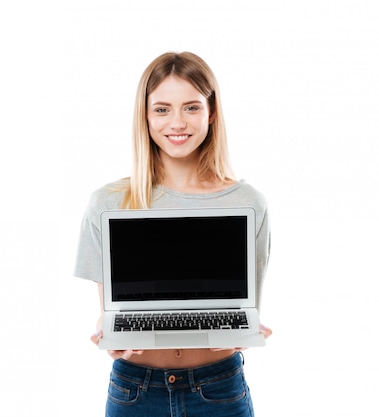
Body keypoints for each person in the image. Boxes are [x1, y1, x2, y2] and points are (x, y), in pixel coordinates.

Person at [74, 51, 272, 417]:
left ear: (211, 113)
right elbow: (109, 309)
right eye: (162, 109)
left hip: (219, 388)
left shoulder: (247, 202)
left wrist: (247, 324)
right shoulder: (109, 202)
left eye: (192, 107)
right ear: (145, 116)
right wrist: (110, 335)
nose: (177, 122)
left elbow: (247, 300)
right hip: (135, 389)